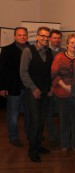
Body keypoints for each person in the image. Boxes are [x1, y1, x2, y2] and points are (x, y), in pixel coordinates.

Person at [20, 26, 53, 163]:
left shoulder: (50, 52)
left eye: (47, 36)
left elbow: (51, 73)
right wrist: (34, 88)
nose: (45, 38)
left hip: (46, 92)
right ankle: (32, 151)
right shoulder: (28, 51)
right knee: (35, 121)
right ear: (37, 36)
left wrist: (51, 87)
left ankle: (38, 146)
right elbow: (23, 73)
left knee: (41, 121)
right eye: (43, 36)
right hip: (32, 92)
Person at [51, 34, 75, 156]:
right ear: (67, 44)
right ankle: (64, 145)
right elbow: (54, 74)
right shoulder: (59, 57)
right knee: (64, 120)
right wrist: (65, 87)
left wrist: (74, 88)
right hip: (61, 94)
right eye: (72, 43)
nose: (74, 45)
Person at [0, 27, 30, 147]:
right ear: (14, 36)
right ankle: (13, 137)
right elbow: (2, 70)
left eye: (24, 35)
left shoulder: (32, 49)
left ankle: (29, 134)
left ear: (27, 36)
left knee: (29, 113)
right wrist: (2, 87)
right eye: (19, 35)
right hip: (14, 87)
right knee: (13, 114)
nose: (22, 37)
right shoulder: (7, 50)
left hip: (28, 87)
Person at [46, 29, 67, 147]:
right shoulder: (45, 51)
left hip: (62, 89)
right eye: (54, 37)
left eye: (59, 38)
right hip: (49, 89)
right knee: (48, 115)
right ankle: (52, 137)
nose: (57, 40)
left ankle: (60, 136)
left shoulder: (65, 52)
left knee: (62, 115)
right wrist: (49, 87)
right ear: (50, 38)